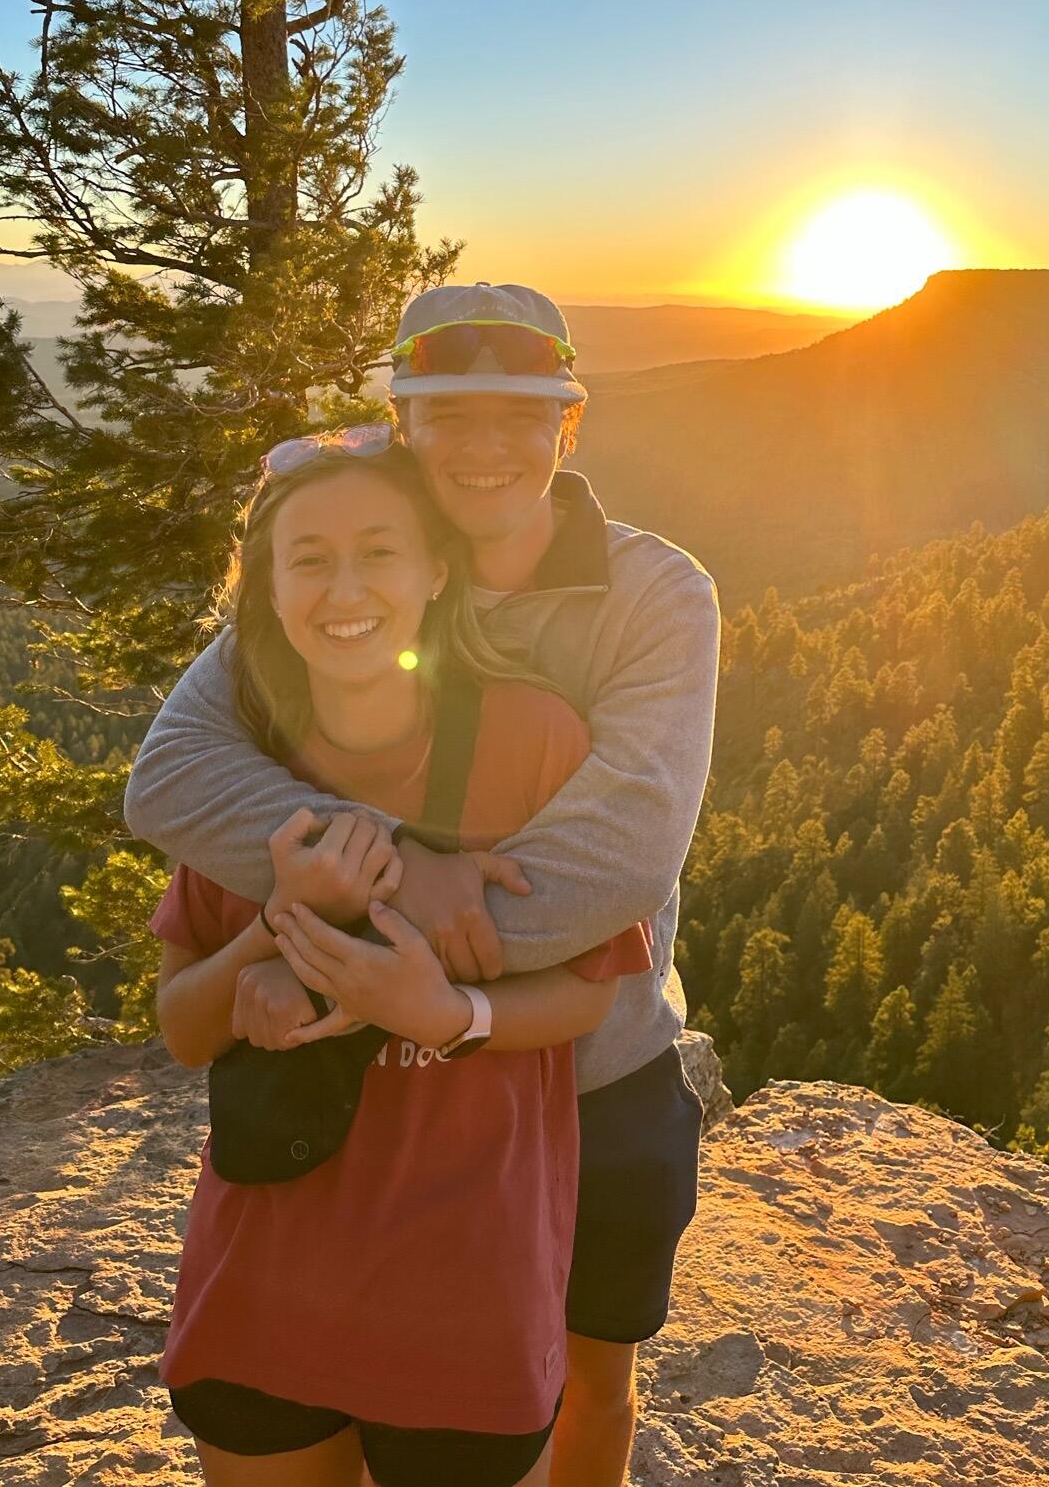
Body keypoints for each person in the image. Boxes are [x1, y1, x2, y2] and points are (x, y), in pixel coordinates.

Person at [126, 281, 722, 1487]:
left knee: (587, 1378)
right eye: (449, 414)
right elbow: (173, 778)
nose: (487, 446)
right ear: (402, 423)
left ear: (572, 424)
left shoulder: (655, 594)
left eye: (523, 413)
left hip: (596, 1071)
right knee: (404, 1383)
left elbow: (622, 859)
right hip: (390, 1096)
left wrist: (395, 926)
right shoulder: (359, 568)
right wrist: (412, 868)